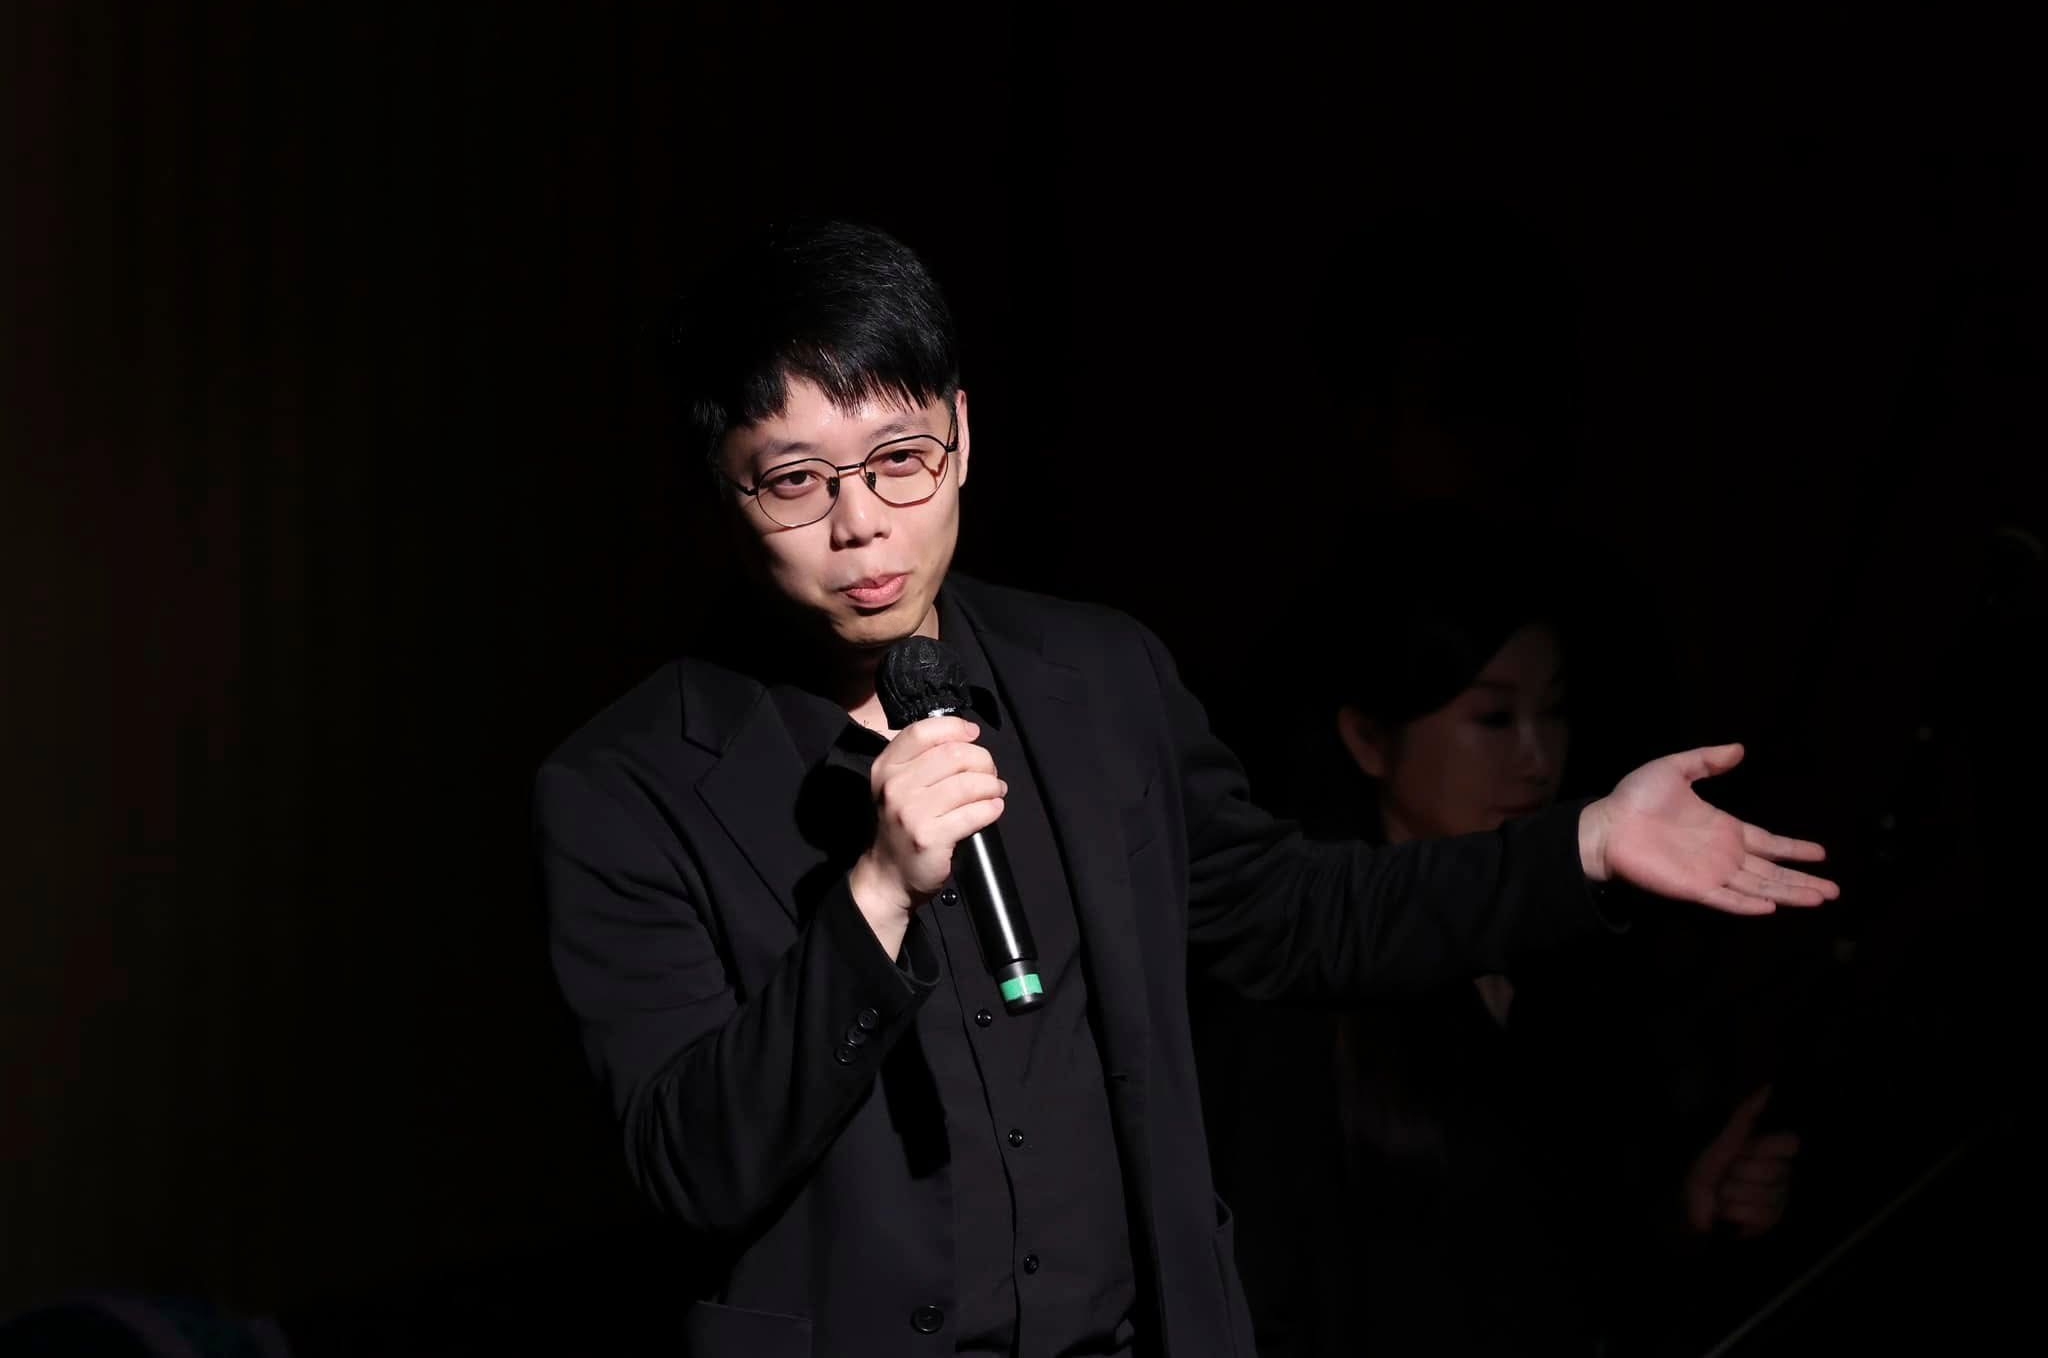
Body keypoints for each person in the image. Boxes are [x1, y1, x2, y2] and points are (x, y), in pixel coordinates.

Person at [530, 218, 1836, 1358]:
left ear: (963, 436)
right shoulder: (625, 788)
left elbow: (1293, 912)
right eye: (796, 480)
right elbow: (691, 1161)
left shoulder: (1096, 679)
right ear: (725, 489)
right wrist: (873, 896)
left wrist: (1582, 845)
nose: (861, 519)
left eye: (897, 458)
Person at [1208, 544, 1801, 1356]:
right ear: (1370, 740)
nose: (1536, 758)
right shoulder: (1296, 981)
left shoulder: (1579, 957)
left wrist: (1687, 1212)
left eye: (1553, 712)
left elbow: (1572, 1260)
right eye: (1493, 719)